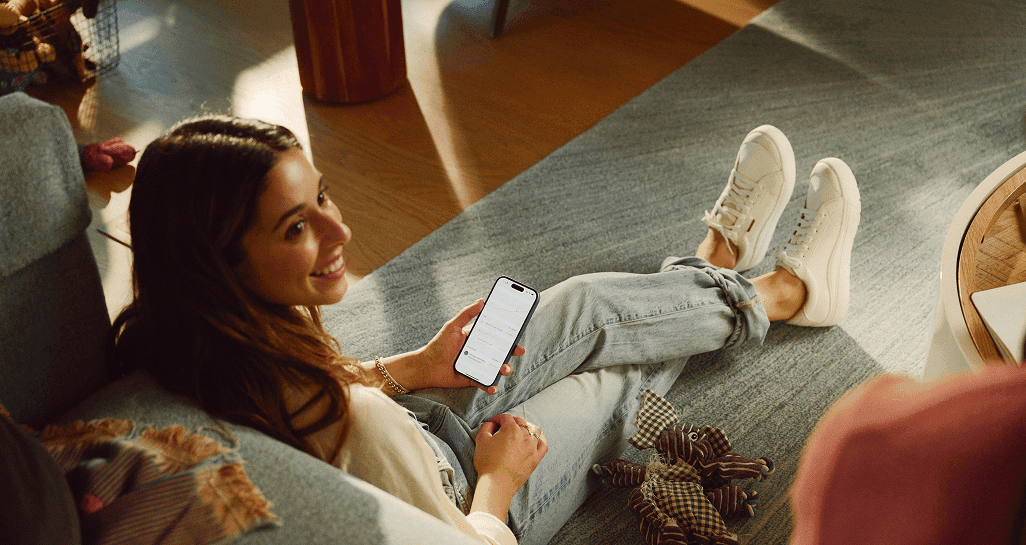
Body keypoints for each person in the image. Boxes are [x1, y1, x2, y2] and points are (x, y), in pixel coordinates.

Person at [109, 117, 861, 545]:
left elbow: (310, 397)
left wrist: (414, 365)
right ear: (219, 265)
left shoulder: (187, 340)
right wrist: (499, 482)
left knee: (580, 303)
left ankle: (716, 263)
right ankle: (780, 289)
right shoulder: (349, 420)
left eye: (323, 197)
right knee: (616, 375)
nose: (340, 230)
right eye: (297, 226)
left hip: (415, 424)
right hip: (466, 495)